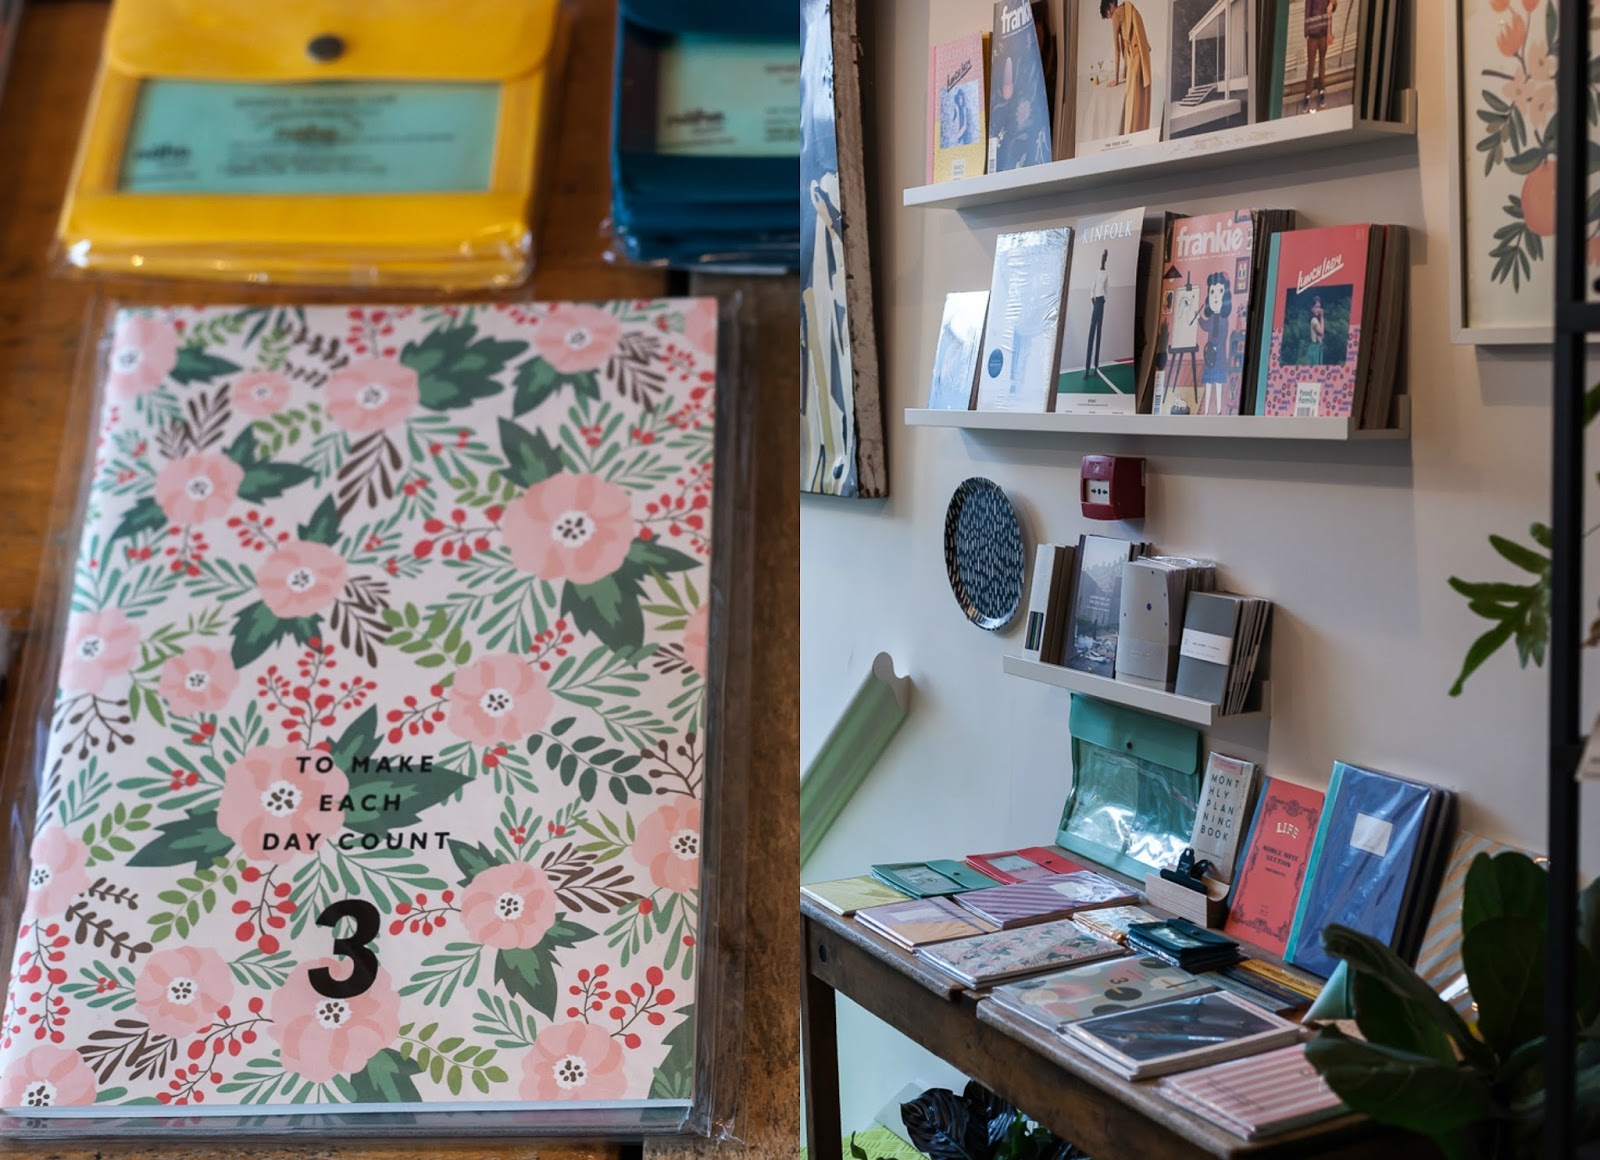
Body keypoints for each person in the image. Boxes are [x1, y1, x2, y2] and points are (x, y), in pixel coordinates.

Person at [1101, 0, 1152, 135]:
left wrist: (1116, 80)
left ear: (1110, 7)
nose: (1109, 17)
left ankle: (1131, 134)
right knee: (1141, 100)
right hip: (1142, 56)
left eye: (1107, 14)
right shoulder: (1128, 9)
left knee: (1132, 104)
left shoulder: (1116, 15)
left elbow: (1117, 50)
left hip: (1135, 58)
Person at [1198, 272, 1233, 415]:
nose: (1215, 296)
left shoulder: (1224, 319)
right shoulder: (1212, 317)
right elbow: (1206, 326)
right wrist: (1199, 319)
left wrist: (1216, 347)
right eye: (1212, 292)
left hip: (1219, 355)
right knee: (1208, 384)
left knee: (1218, 384)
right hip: (1209, 355)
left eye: (1220, 291)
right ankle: (1206, 411)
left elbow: (1223, 336)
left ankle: (1218, 411)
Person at [1302, 0, 1337, 111]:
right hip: (1312, 36)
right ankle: (1307, 95)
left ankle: (1321, 91)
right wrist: (1307, 32)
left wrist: (1332, 4)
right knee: (1311, 66)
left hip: (1324, 34)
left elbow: (1334, 6)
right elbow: (1307, 10)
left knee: (1322, 64)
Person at [1084, 249, 1109, 380]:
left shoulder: (1106, 274)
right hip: (1096, 302)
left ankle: (1096, 368)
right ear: (1101, 258)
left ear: (1106, 259)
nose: (1104, 259)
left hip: (1101, 302)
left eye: (1105, 257)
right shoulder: (1097, 272)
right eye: (1103, 256)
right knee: (1092, 331)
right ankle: (1087, 369)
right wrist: (1092, 298)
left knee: (1099, 332)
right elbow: (1092, 287)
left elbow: (1107, 288)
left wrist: (1104, 299)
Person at [1306, 296, 1326, 364]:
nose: (1319, 309)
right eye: (1316, 307)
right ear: (1312, 308)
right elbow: (1321, 332)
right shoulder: (1314, 320)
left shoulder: (1316, 320)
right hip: (1315, 348)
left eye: (1319, 307)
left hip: (1318, 347)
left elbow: (1322, 336)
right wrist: (1322, 317)